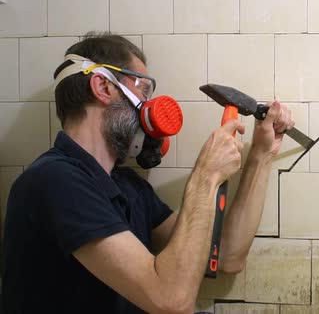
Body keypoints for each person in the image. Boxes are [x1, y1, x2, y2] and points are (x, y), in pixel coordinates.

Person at [1, 33, 295, 313]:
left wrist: (262, 154)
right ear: (103, 88)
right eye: (144, 90)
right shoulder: (54, 180)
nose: (150, 108)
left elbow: (226, 256)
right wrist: (206, 176)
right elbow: (171, 301)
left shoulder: (127, 185)